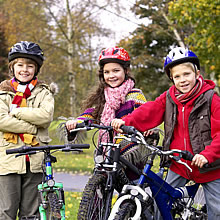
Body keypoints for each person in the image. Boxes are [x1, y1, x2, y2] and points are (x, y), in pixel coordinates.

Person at [111, 47, 220, 219]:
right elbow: (150, 110)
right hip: (179, 164)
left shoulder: (211, 99)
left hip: (210, 166)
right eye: (177, 76)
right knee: (161, 205)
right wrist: (127, 121)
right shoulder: (169, 98)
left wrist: (208, 155)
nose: (182, 80)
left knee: (217, 210)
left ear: (197, 73)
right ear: (171, 78)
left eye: (186, 74)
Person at [66, 46, 154, 182]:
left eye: (116, 70)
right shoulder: (102, 97)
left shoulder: (135, 95)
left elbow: (144, 116)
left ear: (126, 71)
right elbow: (91, 113)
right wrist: (77, 122)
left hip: (130, 152)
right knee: (102, 186)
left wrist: (147, 129)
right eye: (107, 72)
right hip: (107, 152)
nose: (111, 75)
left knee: (132, 190)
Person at [0, 41, 56, 220]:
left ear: (36, 69)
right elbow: (1, 120)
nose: (24, 69)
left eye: (30, 66)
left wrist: (16, 111)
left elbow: (45, 116)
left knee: (31, 213)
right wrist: (32, 127)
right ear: (12, 67)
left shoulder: (43, 93)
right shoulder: (3, 93)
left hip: (35, 159)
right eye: (20, 65)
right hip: (8, 160)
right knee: (6, 211)